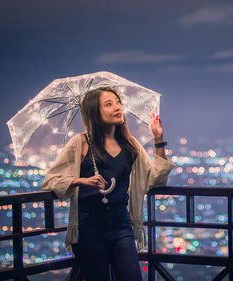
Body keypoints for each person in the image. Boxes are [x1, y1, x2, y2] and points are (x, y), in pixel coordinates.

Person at [42, 87, 175, 281]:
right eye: (109, 104)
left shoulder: (131, 144)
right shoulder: (80, 143)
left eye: (118, 102)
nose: (117, 107)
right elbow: (51, 180)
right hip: (88, 225)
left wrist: (158, 139)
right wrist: (81, 181)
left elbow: (155, 179)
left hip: (121, 223)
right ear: (95, 112)